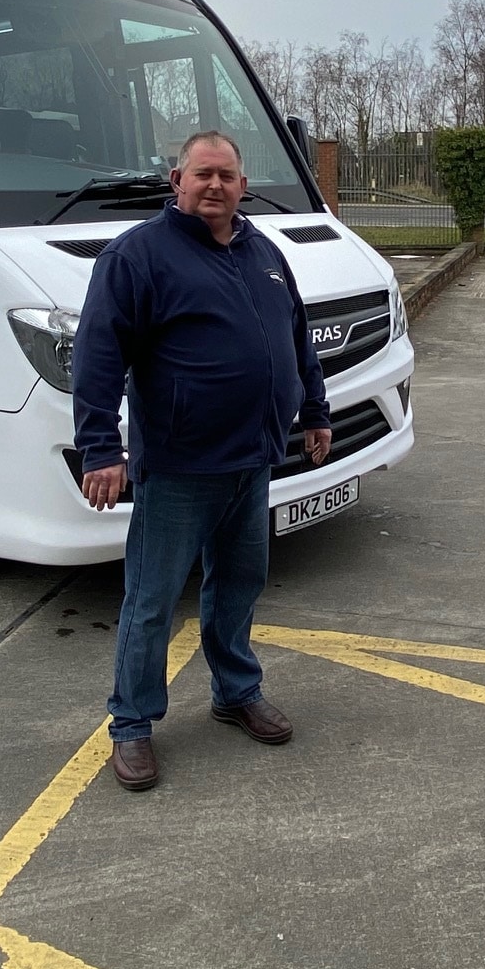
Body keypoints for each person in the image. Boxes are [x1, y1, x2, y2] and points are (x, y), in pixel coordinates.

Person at [72, 130, 331, 792]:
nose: (214, 186)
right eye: (202, 174)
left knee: (238, 586)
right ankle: (131, 724)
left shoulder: (264, 253)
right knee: (152, 602)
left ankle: (235, 691)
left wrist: (315, 412)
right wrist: (102, 448)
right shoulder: (138, 258)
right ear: (176, 181)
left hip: (252, 460)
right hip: (181, 466)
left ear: (243, 186)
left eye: (227, 176)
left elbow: (295, 340)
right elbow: (98, 357)